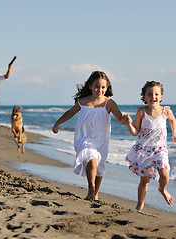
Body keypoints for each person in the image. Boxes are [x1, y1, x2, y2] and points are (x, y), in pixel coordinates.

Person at [52, 71, 127, 200]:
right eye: (97, 87)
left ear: (107, 87)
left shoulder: (109, 103)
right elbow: (70, 113)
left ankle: (94, 194)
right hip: (84, 138)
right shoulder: (82, 102)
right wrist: (57, 123)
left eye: (103, 87)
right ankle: (91, 188)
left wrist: (126, 120)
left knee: (99, 166)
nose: (100, 90)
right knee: (92, 159)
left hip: (102, 140)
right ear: (90, 86)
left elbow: (120, 119)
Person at [125, 81, 176, 212]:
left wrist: (174, 134)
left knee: (165, 173)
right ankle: (139, 205)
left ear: (161, 97)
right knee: (144, 182)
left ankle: (162, 188)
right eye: (149, 94)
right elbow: (135, 132)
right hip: (144, 151)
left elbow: (172, 120)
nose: (153, 97)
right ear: (144, 97)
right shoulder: (141, 112)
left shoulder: (166, 111)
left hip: (160, 150)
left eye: (156, 94)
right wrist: (128, 124)